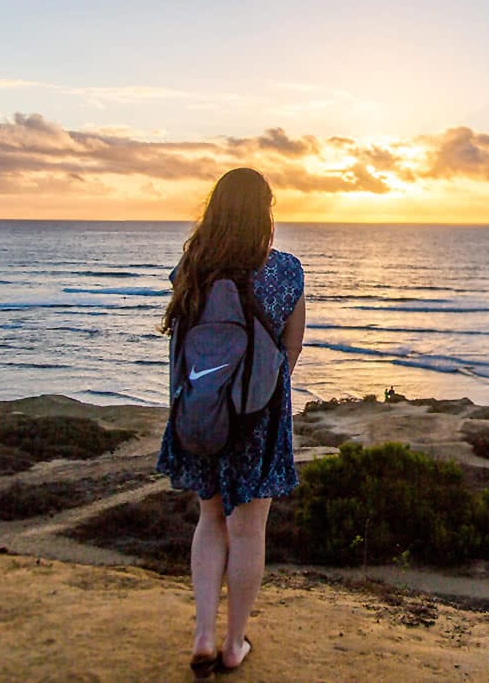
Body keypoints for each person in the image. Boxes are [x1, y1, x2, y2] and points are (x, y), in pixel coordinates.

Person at [156, 167, 305, 678]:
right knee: (248, 530)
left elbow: (180, 346)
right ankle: (233, 642)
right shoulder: (285, 271)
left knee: (210, 518)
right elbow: (290, 350)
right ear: (265, 213)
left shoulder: (192, 268)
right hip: (258, 417)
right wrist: (259, 391)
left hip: (203, 412)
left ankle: (202, 634)